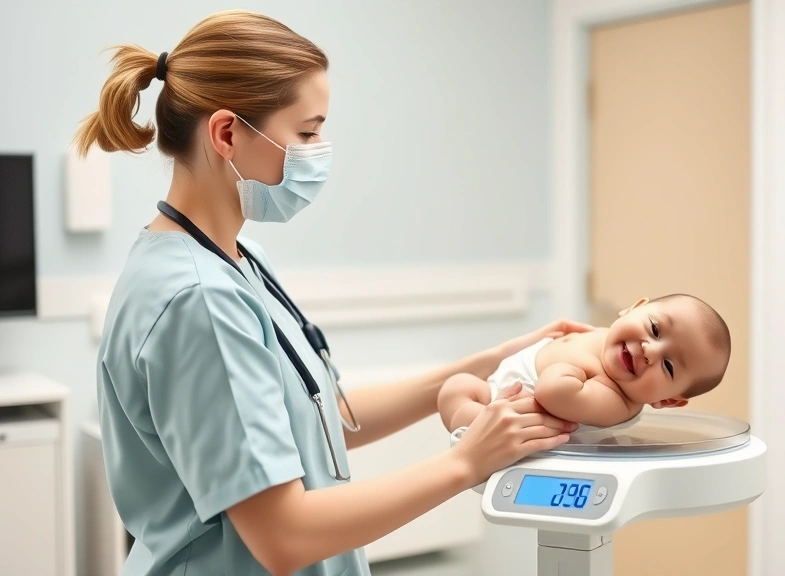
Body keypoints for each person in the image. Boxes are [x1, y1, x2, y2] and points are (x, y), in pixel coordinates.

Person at [76, 10, 590, 576]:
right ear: (226, 133)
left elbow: (325, 417)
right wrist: (467, 463)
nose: (320, 150)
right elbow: (283, 535)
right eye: (307, 131)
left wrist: (491, 362)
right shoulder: (199, 300)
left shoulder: (236, 262)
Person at [439, 294, 731, 435]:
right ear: (634, 308)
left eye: (668, 366)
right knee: (457, 386)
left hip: (506, 420)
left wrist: (572, 365)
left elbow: (552, 390)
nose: (649, 350)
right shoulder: (606, 338)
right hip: (494, 387)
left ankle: (472, 434)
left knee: (458, 396)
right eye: (654, 328)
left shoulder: (613, 400)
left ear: (666, 400)